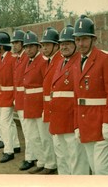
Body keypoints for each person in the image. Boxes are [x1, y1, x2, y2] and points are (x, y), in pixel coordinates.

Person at [73, 15, 108, 175]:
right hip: (85, 124)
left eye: (84, 39)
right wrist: (76, 125)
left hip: (101, 122)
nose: (80, 44)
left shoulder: (106, 58)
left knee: (103, 170)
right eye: (77, 40)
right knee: (94, 168)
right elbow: (76, 98)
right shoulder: (76, 62)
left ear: (94, 39)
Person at [49, 25, 89, 175]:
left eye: (68, 43)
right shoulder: (61, 62)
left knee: (76, 159)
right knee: (62, 158)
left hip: (71, 119)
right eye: (61, 43)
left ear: (75, 44)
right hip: (58, 119)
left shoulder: (79, 62)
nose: (64, 46)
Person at [22, 31, 47, 174]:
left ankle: (48, 162)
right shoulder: (28, 61)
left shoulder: (42, 61)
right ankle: (41, 160)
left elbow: (46, 85)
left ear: (38, 47)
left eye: (31, 46)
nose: (28, 49)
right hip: (29, 104)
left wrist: (44, 107)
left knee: (43, 137)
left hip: (38, 104)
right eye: (26, 47)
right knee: (32, 136)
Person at [11, 30, 36, 171]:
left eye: (17, 43)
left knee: (28, 131)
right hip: (21, 98)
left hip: (27, 99)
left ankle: (30, 157)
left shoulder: (26, 58)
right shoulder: (19, 58)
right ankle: (32, 156)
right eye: (13, 43)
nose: (14, 45)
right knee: (28, 131)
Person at [39, 26, 62, 174]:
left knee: (58, 143)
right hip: (48, 105)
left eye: (48, 44)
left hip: (57, 107)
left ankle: (53, 165)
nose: (44, 48)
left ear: (56, 45)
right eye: (43, 45)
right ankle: (51, 164)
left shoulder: (59, 60)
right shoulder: (49, 61)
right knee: (51, 139)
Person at [0, 32, 18, 163]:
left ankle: (9, 150)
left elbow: (15, 79)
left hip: (9, 95)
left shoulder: (11, 59)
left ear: (1, 47)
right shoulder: (3, 58)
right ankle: (16, 144)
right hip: (4, 94)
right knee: (9, 122)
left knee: (5, 122)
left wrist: (15, 96)